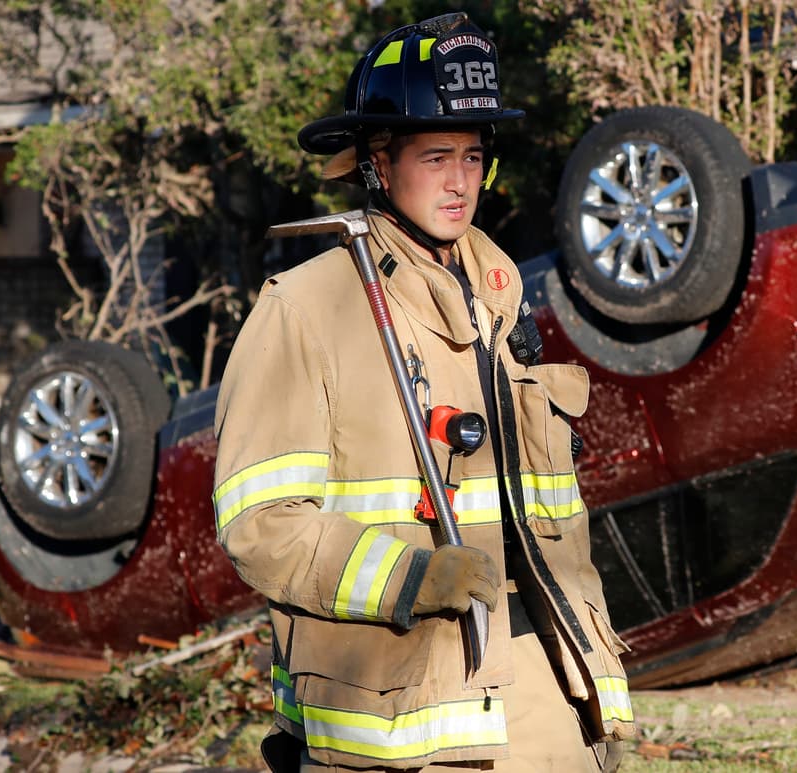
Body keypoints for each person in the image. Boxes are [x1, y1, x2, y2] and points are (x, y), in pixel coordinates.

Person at [212, 12, 634, 772]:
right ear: (378, 161)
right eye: (435, 154)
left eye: (473, 156)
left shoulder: (500, 299)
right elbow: (261, 523)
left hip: (539, 679)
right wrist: (409, 576)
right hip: (398, 713)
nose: (458, 179)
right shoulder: (305, 309)